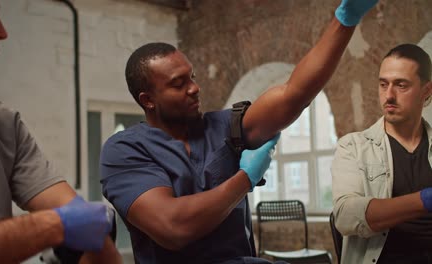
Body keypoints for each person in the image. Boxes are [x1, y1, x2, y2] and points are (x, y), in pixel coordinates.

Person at [100, 0, 379, 263]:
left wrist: (344, 20)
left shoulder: (222, 126)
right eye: (178, 83)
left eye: (193, 77)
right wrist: (246, 178)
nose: (194, 88)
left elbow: (293, 95)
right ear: (147, 99)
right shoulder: (125, 150)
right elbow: (174, 227)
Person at [0, 0, 123, 263]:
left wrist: (88, 236)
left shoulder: (0, 124)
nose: (2, 31)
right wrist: (53, 226)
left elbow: (85, 228)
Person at [331, 44, 432, 264]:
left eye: (401, 85)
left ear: (426, 91)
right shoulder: (353, 147)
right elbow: (345, 216)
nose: (389, 96)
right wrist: (424, 200)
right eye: (383, 84)